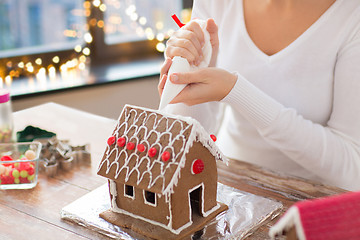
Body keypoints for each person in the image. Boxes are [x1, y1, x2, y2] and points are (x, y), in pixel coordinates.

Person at [158, 0, 360, 191]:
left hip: (309, 203)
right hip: (229, 187)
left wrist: (237, 91)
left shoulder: (351, 16)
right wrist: (188, 72)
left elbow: (352, 172)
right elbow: (182, 145)